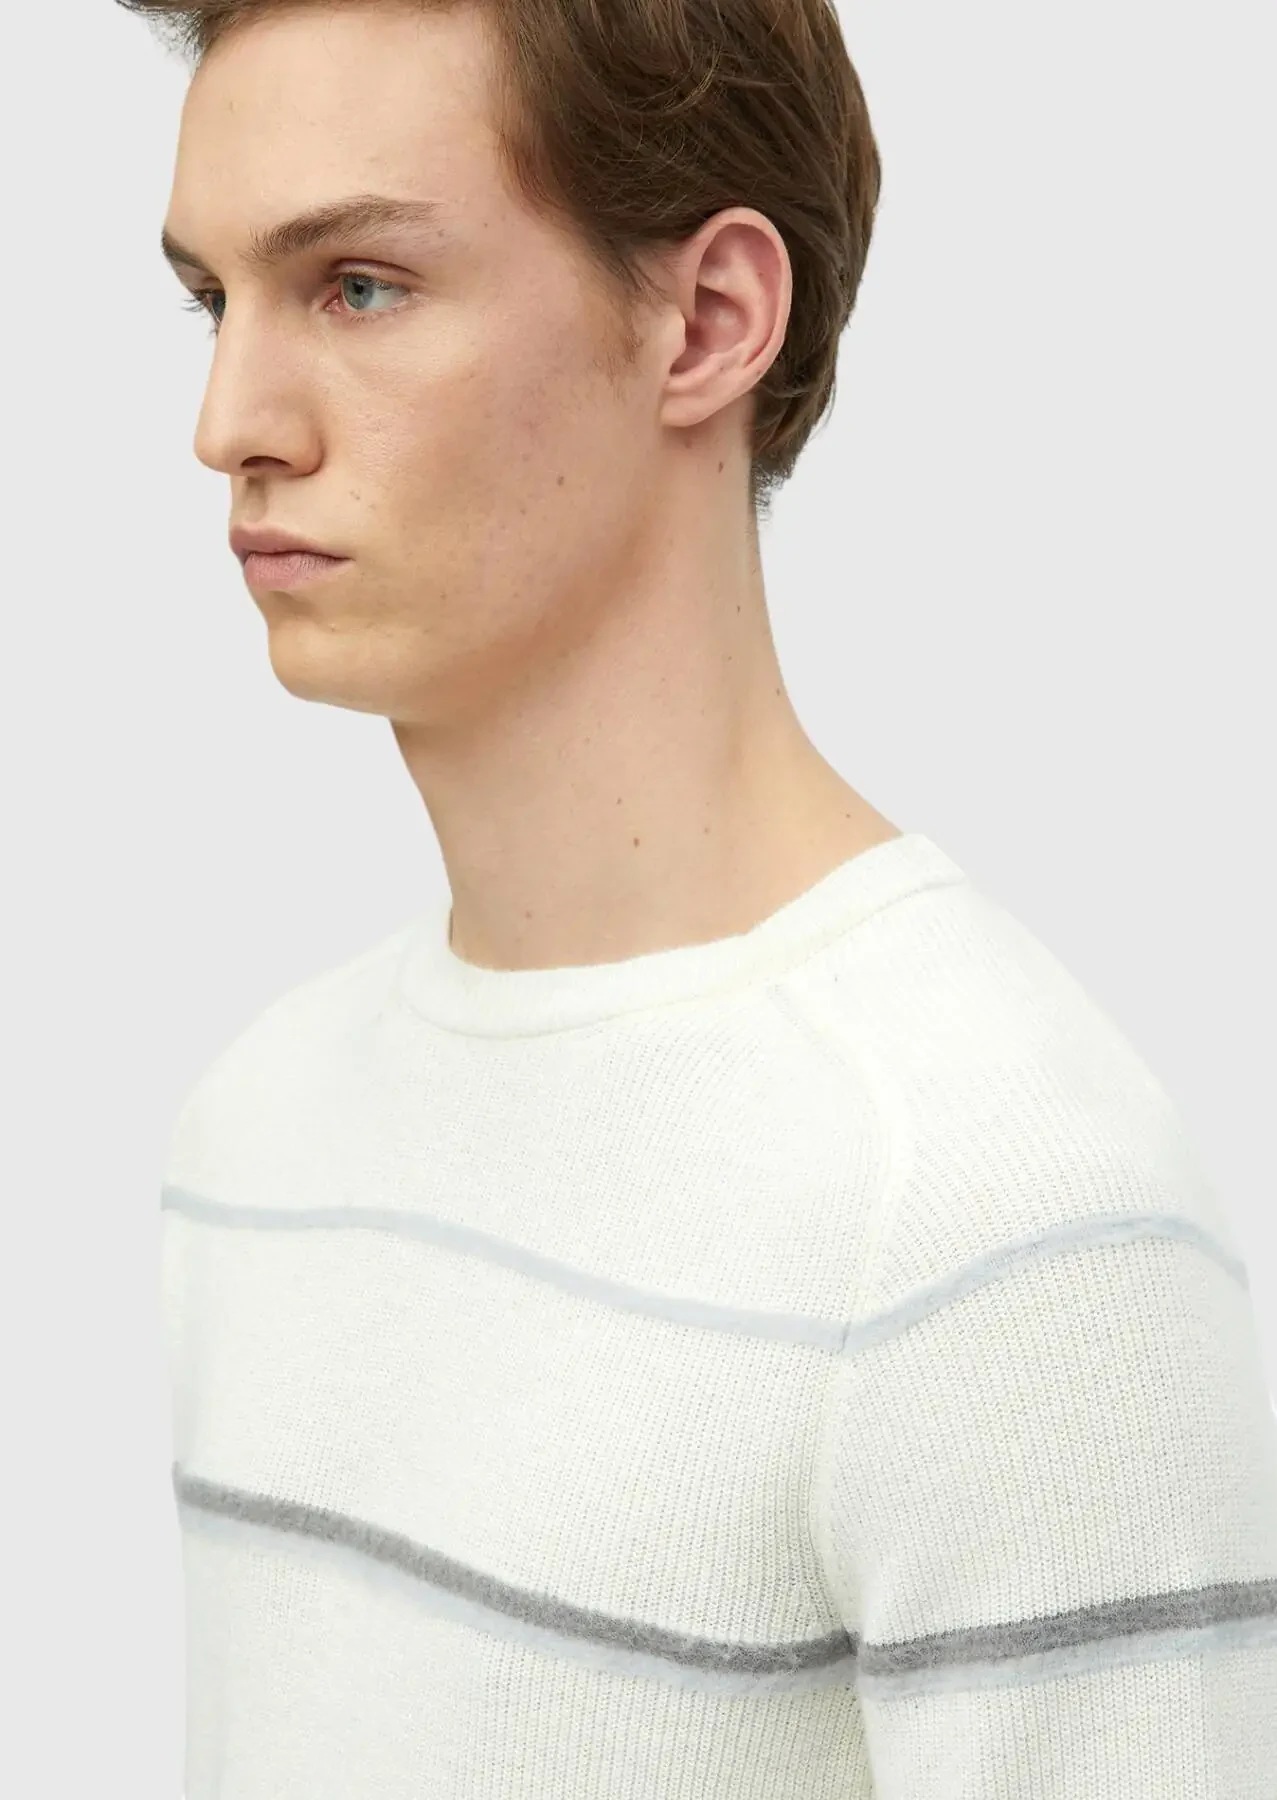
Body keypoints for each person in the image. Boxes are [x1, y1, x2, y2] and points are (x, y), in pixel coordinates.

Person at [122, 0, 1277, 1794]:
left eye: (357, 286)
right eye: (216, 300)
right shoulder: (254, 1137)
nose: (229, 424)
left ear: (712, 320)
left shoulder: (995, 1222)